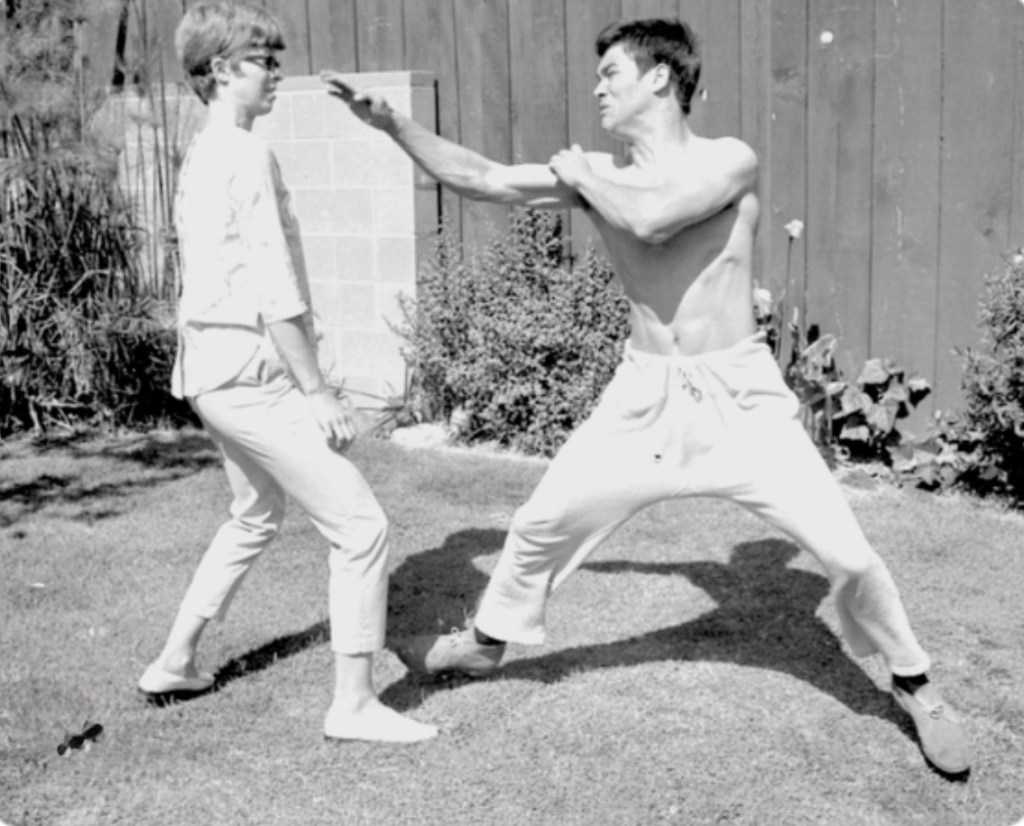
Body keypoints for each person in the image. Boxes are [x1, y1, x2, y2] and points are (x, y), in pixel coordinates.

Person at [322, 18, 969, 772]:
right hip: (644, 394)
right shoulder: (598, 173)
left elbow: (654, 219)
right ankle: (484, 644)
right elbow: (485, 180)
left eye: (611, 74)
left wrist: (587, 176)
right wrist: (394, 123)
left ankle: (916, 684)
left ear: (661, 78)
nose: (597, 87)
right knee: (541, 521)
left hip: (739, 399)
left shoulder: (729, 160)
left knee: (849, 558)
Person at [137, 0, 437, 744]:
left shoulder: (206, 153)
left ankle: (175, 661)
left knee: (256, 512)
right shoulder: (241, 155)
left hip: (212, 374)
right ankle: (354, 704)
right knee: (361, 526)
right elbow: (274, 288)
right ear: (217, 71)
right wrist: (317, 391)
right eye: (262, 61)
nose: (277, 72)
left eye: (276, 58)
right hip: (248, 377)